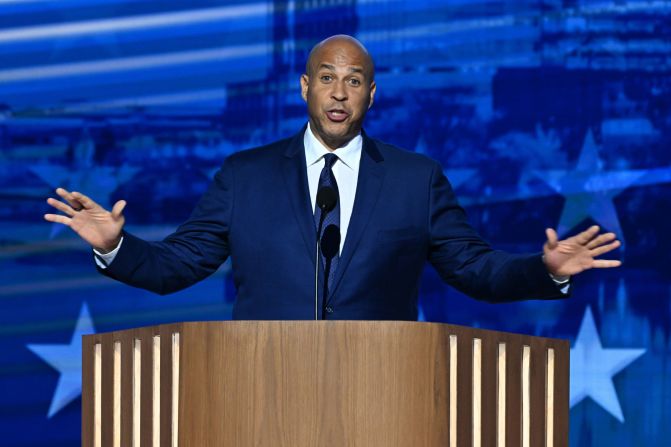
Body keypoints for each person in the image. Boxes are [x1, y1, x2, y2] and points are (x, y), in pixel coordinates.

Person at [44, 35, 621, 320]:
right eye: (327, 77)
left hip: (383, 395)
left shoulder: (416, 180)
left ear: (372, 94)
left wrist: (544, 271)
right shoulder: (244, 177)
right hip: (261, 391)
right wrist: (117, 247)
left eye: (353, 81)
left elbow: (474, 268)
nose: (339, 92)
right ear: (304, 86)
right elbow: (179, 265)